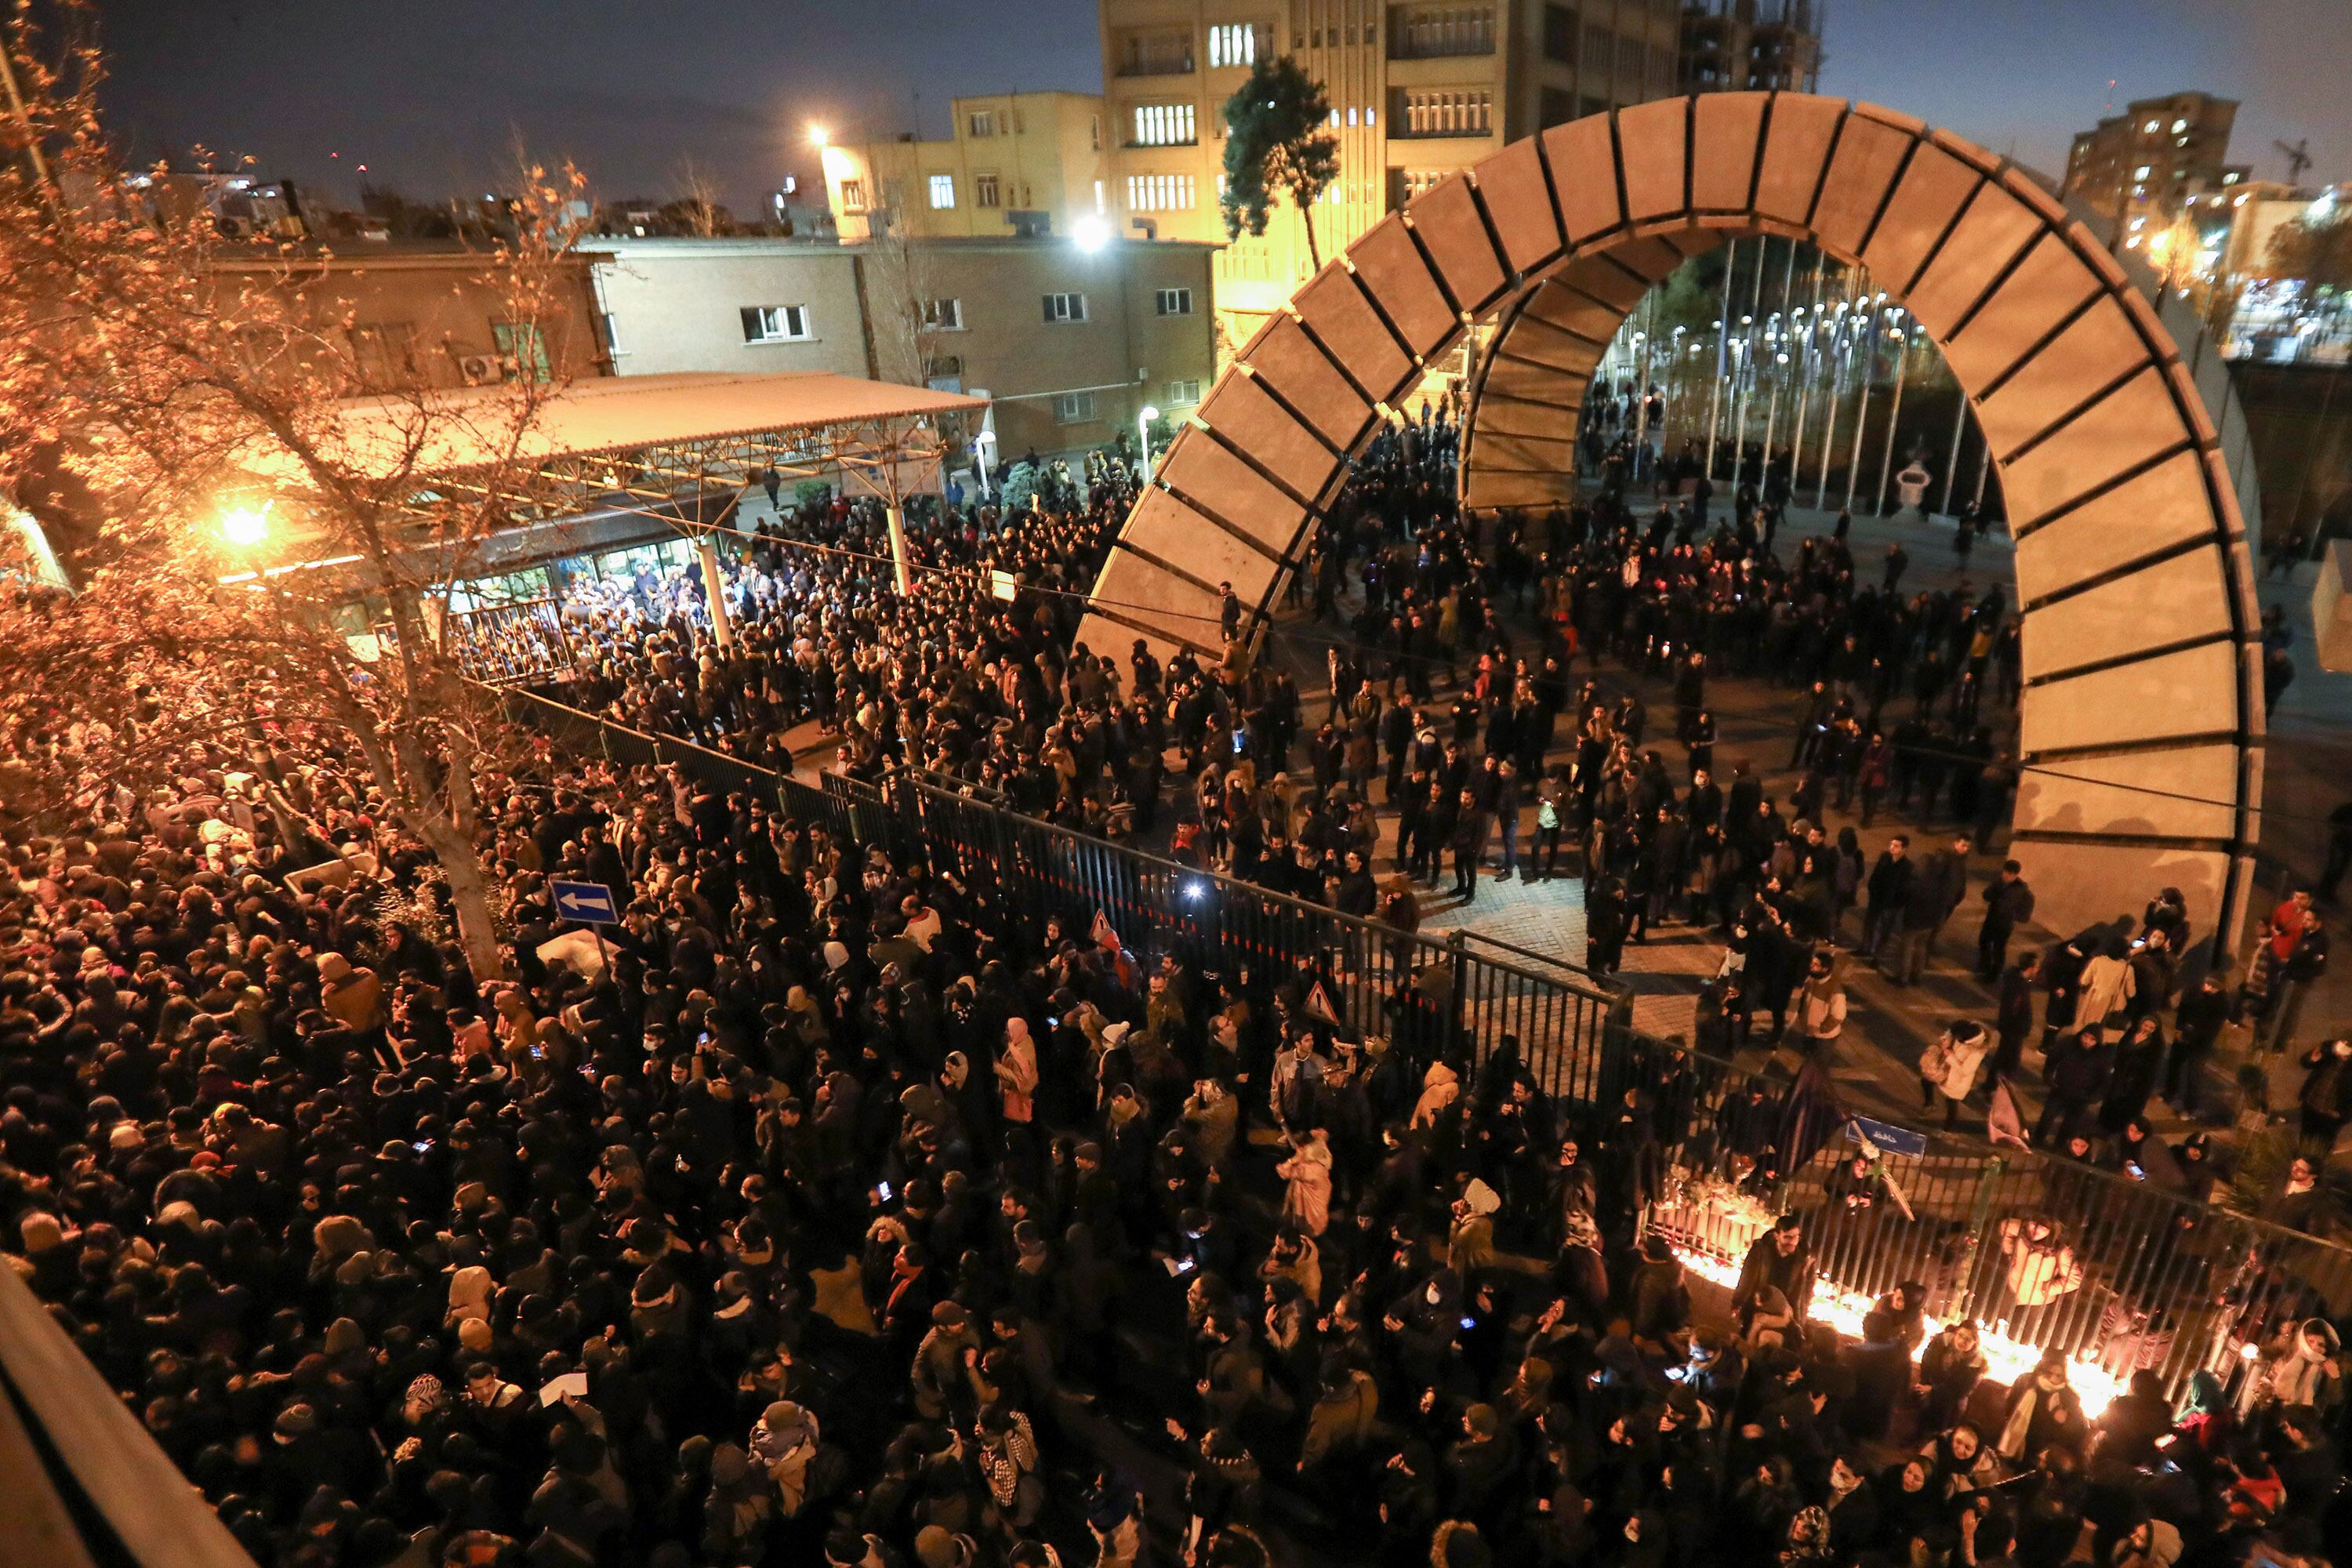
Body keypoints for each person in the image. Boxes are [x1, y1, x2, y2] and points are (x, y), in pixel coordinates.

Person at [1976, 860, 2035, 982]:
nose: (2007, 876)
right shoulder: (1999, 883)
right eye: (2006, 872)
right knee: (1984, 941)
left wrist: (2012, 916)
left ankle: (1993, 975)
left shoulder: (2021, 890)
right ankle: (1984, 965)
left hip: (2004, 924)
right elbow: (1986, 895)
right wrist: (1995, 889)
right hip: (1991, 919)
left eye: (2011, 874)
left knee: (1998, 949)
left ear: (2016, 875)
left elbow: (2026, 912)